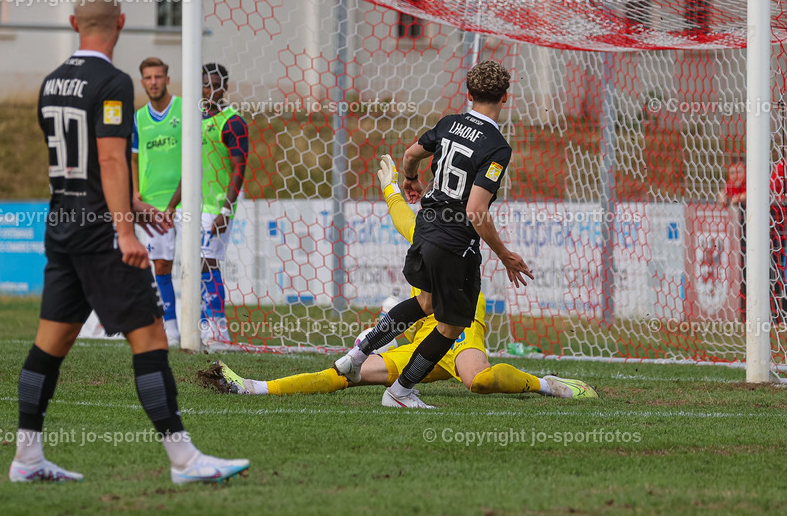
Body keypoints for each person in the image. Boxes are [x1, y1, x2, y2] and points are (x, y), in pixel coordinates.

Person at [11, 0, 248, 484]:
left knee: (47, 348)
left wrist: (134, 206)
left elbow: (77, 166)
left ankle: (26, 457)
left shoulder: (51, 81)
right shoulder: (114, 82)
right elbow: (112, 158)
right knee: (151, 340)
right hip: (101, 234)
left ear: (74, 23)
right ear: (121, 22)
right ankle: (184, 461)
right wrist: (125, 230)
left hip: (64, 224)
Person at [203, 155, 596, 400]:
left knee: (479, 382)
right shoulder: (426, 227)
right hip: (420, 342)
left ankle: (551, 385)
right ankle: (253, 387)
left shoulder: (459, 231)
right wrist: (391, 184)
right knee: (345, 375)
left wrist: (394, 183)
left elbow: (405, 212)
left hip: (458, 335)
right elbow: (401, 214)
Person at [333, 60, 534, 409]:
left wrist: (409, 178)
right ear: (505, 97)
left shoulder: (448, 123)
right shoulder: (497, 146)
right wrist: (504, 254)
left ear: (469, 94)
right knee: (451, 327)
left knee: (425, 303)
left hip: (425, 226)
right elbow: (475, 210)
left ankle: (357, 353)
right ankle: (400, 392)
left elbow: (411, 155)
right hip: (455, 242)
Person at [168, 63, 248, 345]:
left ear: (224, 87)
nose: (210, 90)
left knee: (207, 263)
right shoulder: (194, 120)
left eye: (216, 84)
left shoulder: (232, 121)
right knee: (195, 263)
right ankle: (203, 325)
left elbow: (239, 168)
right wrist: (171, 206)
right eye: (205, 85)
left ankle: (218, 330)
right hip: (192, 207)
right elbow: (188, 170)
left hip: (216, 208)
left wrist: (226, 210)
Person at [131, 57, 182, 346]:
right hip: (153, 205)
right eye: (148, 77)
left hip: (186, 202)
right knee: (161, 266)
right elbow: (134, 156)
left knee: (197, 265)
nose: (153, 82)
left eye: (158, 76)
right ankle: (171, 330)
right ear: (143, 82)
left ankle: (209, 325)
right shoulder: (138, 118)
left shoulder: (184, 109)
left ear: (167, 79)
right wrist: (136, 192)